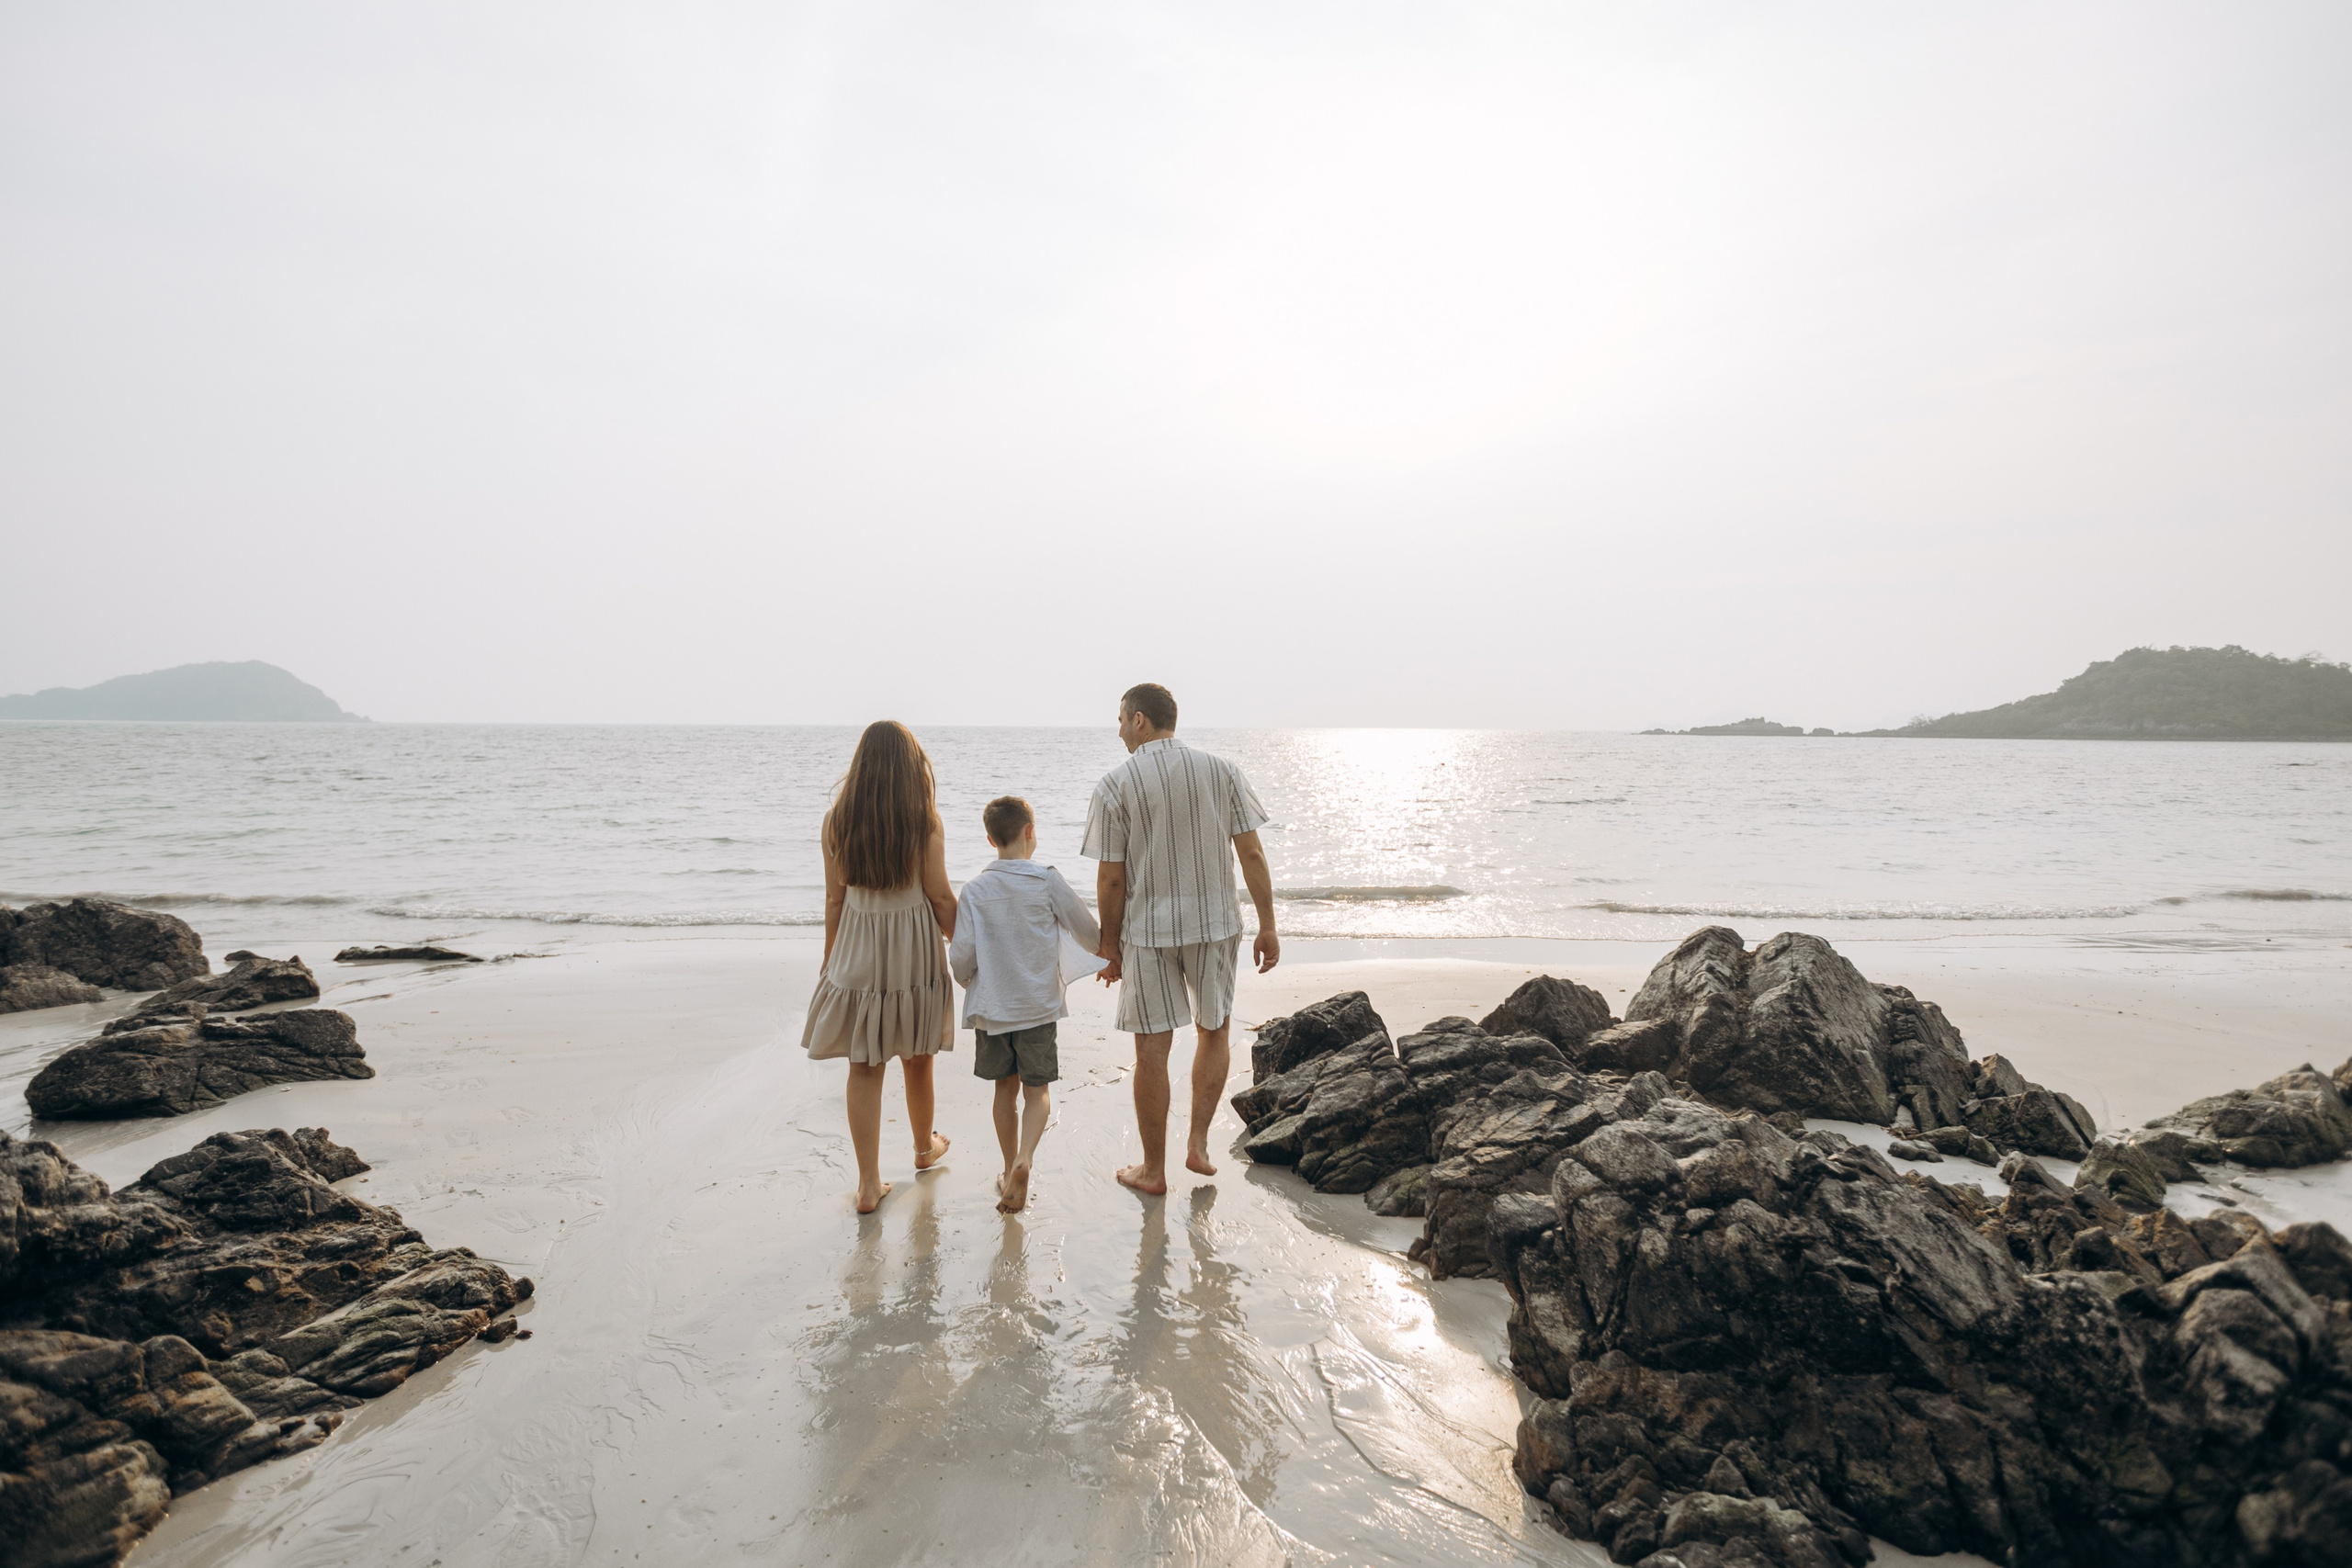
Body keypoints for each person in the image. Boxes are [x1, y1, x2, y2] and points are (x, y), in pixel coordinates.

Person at [1082, 682, 1279, 1196]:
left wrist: (1110, 944)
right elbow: (1252, 854)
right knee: (1213, 1030)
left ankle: (1153, 1171)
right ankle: (1197, 1142)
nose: (1120, 730)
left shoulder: (1114, 785)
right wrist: (1268, 923)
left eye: (1122, 719)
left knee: (1151, 1048)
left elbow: (1111, 878)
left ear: (1141, 720)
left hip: (1148, 932)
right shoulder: (1222, 771)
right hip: (1214, 925)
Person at [800, 720, 956, 1213]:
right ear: (913, 768)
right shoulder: (923, 821)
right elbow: (939, 895)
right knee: (917, 1056)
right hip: (912, 946)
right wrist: (966, 943)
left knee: (864, 1065)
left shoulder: (836, 820)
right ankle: (922, 1148)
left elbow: (833, 898)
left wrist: (831, 956)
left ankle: (868, 1185)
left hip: (859, 943)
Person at [946, 795, 1105, 1214]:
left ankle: (1005, 1166)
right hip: (1037, 1006)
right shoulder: (1046, 879)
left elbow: (961, 954)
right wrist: (1109, 954)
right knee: (1038, 1091)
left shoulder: (976, 888)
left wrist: (971, 983)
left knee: (1005, 1090)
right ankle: (1025, 1159)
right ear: (1031, 832)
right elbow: (1086, 930)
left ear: (989, 839)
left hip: (993, 1007)